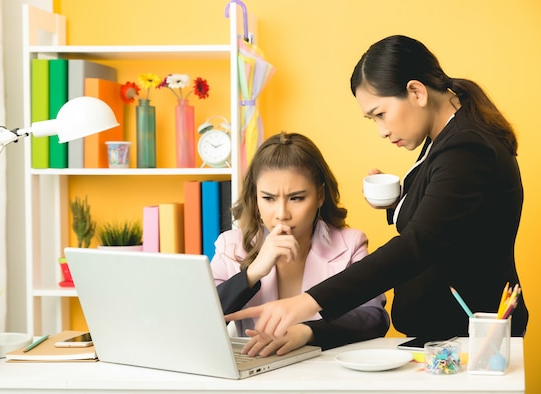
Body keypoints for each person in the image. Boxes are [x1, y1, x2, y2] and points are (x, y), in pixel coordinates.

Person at [225, 35, 529, 341]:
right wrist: (401, 202)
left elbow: (420, 242)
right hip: (449, 335)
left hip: (473, 336)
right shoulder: (447, 139)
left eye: (380, 114)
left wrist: (308, 302)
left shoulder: (466, 146)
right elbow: (451, 217)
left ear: (416, 92)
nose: (382, 131)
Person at [212, 132, 390, 357]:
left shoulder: (350, 243)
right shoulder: (231, 246)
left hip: (326, 375)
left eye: (296, 198)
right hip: (255, 378)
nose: (282, 214)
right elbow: (198, 317)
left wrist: (306, 332)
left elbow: (374, 318)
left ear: (320, 195)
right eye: (268, 198)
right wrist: (253, 272)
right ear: (255, 198)